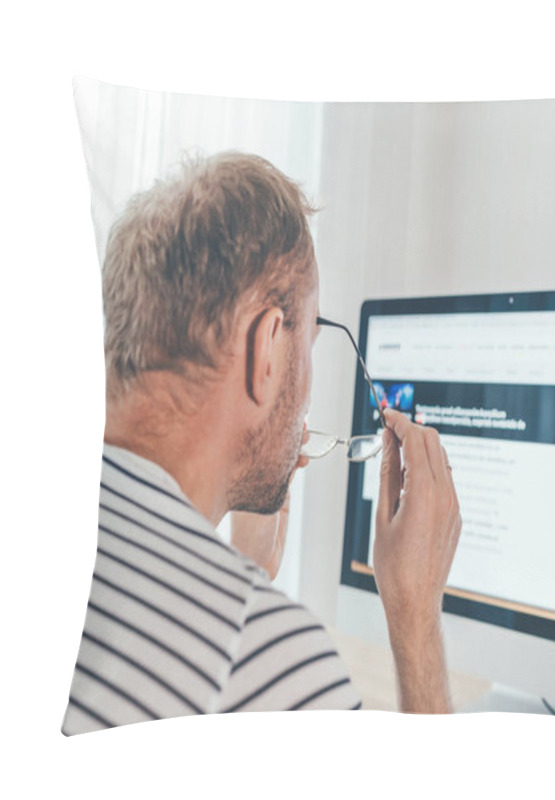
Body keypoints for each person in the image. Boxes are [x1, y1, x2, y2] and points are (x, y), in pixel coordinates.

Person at [62, 152, 462, 735]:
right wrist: (418, 617)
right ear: (268, 348)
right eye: (311, 343)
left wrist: (237, 572)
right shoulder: (278, 665)